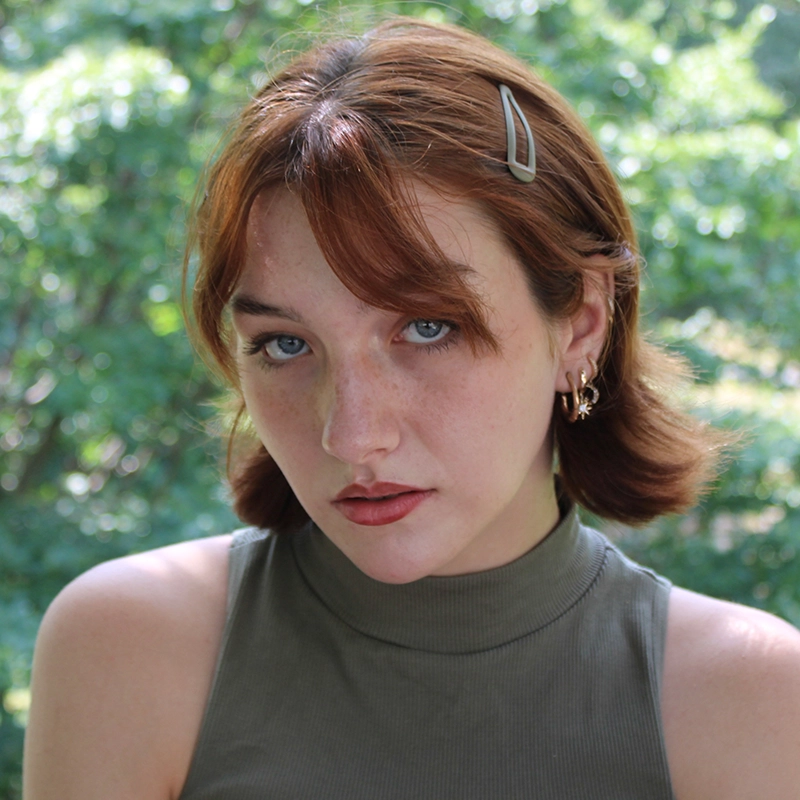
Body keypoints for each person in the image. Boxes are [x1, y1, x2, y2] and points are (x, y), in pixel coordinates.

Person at [23, 17, 800, 800]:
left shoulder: (752, 701)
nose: (352, 432)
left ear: (582, 326)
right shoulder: (128, 650)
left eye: (429, 328)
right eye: (285, 345)